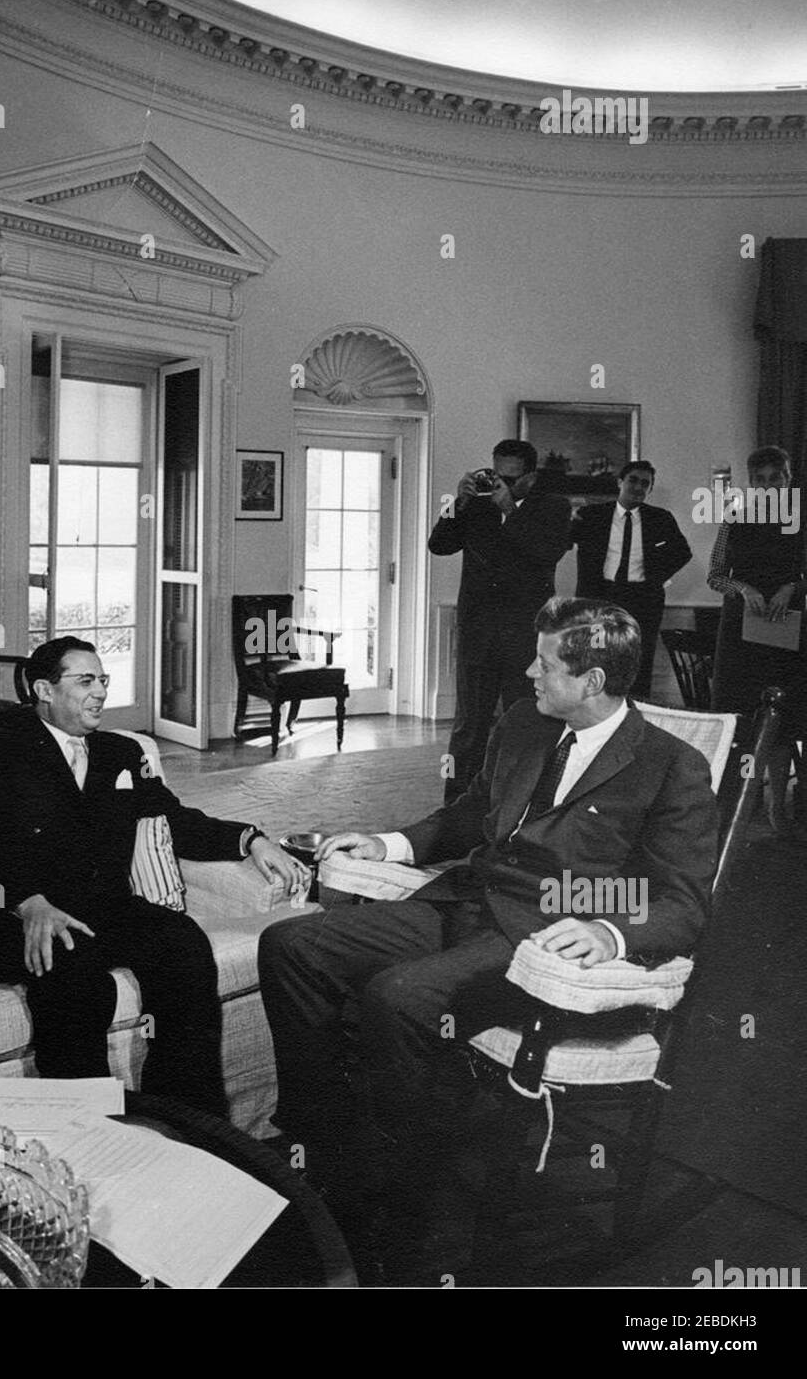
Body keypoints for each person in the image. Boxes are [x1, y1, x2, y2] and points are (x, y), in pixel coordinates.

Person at [258, 598, 716, 1216]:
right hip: (462, 901)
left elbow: (682, 902)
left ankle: (404, 1183)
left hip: (537, 940)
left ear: (592, 681)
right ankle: (326, 1143)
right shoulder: (524, 724)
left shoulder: (671, 766)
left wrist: (608, 932)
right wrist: (388, 843)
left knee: (399, 997)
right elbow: (474, 812)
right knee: (293, 946)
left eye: (545, 662)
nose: (529, 671)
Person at [0, 635, 305, 1117]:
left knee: (183, 945)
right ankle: (88, 1127)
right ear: (44, 690)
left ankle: (185, 1119)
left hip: (100, 907)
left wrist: (251, 840)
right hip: (9, 914)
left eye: (103, 680)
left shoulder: (120, 753)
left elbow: (174, 821)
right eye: (85, 681)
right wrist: (27, 901)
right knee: (74, 969)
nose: (99, 692)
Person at [430, 439, 572, 802]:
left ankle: (519, 806)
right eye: (497, 475)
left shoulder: (553, 508)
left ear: (530, 477)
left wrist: (511, 512)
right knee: (468, 728)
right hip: (478, 631)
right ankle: (456, 807)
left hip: (525, 636)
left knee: (526, 722)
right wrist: (457, 504)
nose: (502, 485)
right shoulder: (476, 507)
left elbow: (546, 552)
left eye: (511, 478)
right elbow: (439, 544)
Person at [708, 446, 807, 838]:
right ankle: (738, 805)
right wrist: (741, 586)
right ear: (752, 482)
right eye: (761, 479)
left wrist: (794, 586)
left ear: (788, 477)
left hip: (788, 626)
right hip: (741, 630)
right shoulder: (734, 515)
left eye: (776, 478)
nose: (769, 485)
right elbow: (715, 575)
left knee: (784, 719)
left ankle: (775, 808)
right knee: (742, 717)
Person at [572, 459, 692, 698]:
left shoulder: (661, 518)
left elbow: (682, 553)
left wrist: (655, 579)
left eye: (645, 483)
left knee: (638, 660)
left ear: (650, 489)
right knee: (597, 655)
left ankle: (635, 712)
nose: (638, 487)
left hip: (642, 601)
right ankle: (596, 710)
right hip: (600, 598)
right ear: (620, 482)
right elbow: (564, 540)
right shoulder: (591, 515)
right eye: (633, 480)